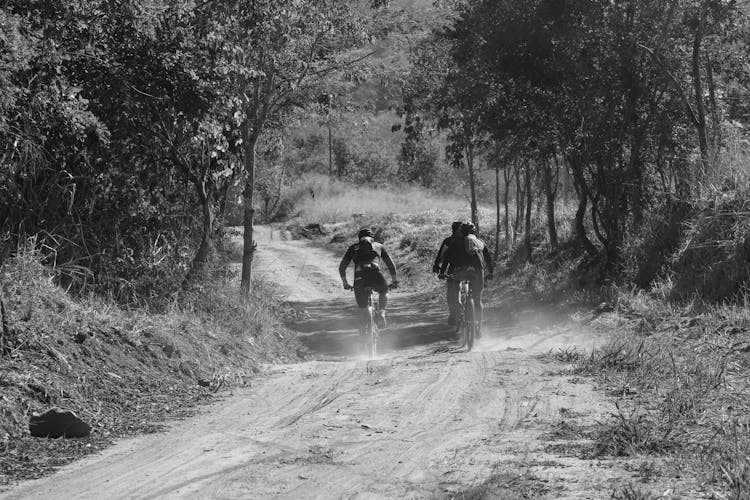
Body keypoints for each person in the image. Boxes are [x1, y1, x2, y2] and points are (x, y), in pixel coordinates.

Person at [439, 222, 494, 337]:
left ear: (461, 232)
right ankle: (478, 328)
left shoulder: (455, 243)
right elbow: (488, 258)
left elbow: (447, 258)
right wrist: (491, 272)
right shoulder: (479, 242)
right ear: (474, 232)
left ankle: (458, 316)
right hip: (477, 272)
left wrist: (442, 272)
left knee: (456, 290)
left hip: (460, 272)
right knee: (478, 300)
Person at [339, 228, 399, 329]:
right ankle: (381, 312)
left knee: (362, 308)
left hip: (359, 277)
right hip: (375, 274)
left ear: (359, 239)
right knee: (384, 291)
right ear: (372, 238)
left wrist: (345, 283)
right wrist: (394, 281)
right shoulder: (379, 246)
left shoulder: (353, 248)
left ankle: (364, 331)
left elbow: (342, 267)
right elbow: (391, 265)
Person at [432, 221, 463, 325]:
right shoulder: (468, 240)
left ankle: (453, 314)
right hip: (471, 269)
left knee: (450, 293)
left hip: (453, 269)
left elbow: (442, 256)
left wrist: (437, 267)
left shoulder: (449, 241)